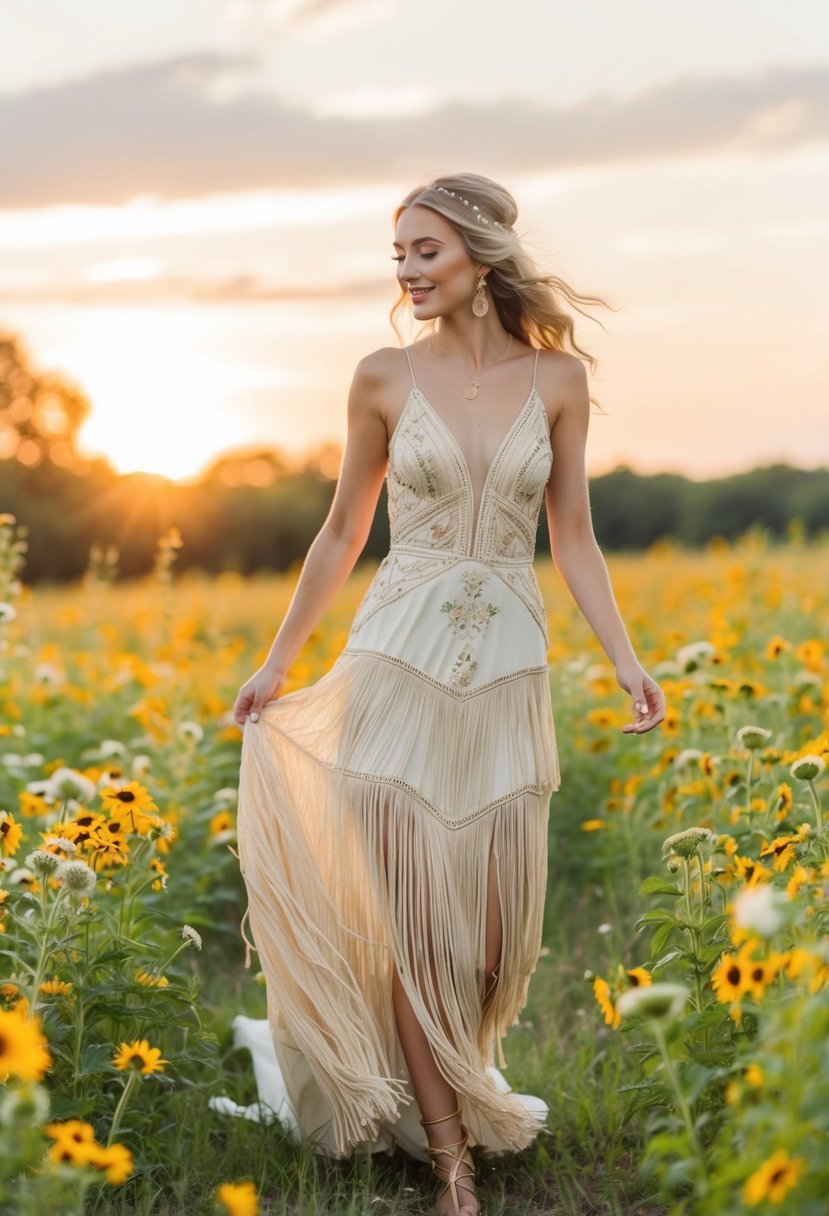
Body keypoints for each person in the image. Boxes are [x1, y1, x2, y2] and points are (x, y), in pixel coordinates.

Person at [232, 172, 666, 1216]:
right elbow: (342, 531)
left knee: (483, 943)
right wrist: (279, 663)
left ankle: (447, 1089)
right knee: (418, 931)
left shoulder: (557, 382)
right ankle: (450, 1165)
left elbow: (573, 536)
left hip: (508, 670)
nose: (407, 272)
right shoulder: (381, 377)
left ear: (478, 253)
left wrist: (625, 656)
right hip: (396, 666)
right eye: (399, 255)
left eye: (424, 251)